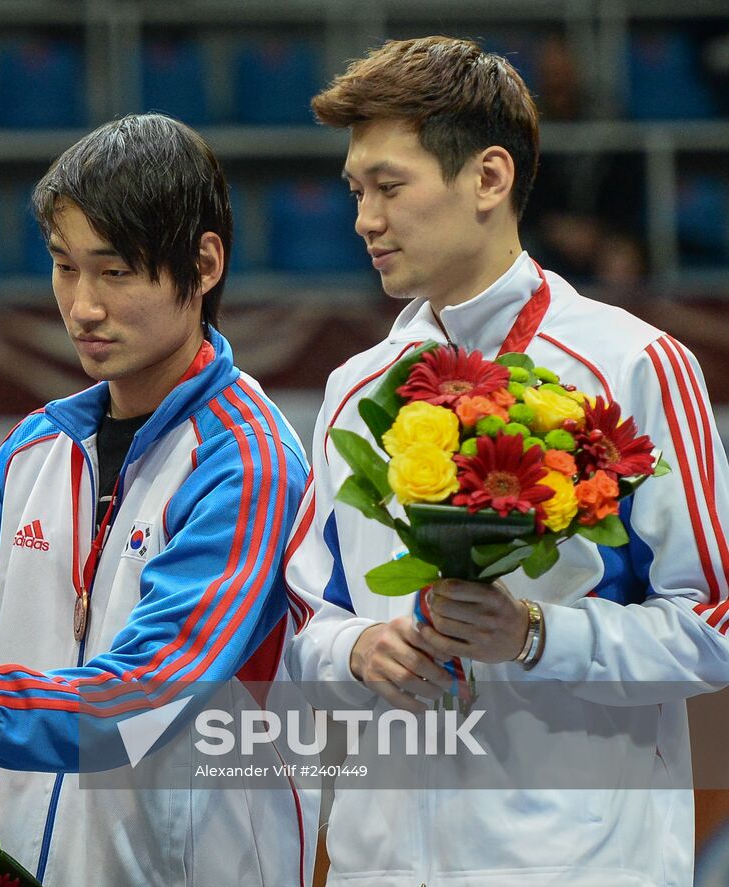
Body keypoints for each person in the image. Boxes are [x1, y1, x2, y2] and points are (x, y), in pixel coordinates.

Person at [0, 113, 317, 885]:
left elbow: (145, 694)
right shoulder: (32, 451)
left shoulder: (248, 461)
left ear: (205, 263)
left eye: (114, 271)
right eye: (64, 266)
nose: (82, 306)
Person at [284, 36, 729, 886]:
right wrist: (357, 650)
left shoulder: (635, 366)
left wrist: (537, 634)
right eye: (354, 191)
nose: (363, 220)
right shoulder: (356, 388)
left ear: (489, 178)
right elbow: (307, 620)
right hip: (383, 866)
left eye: (388, 187)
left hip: (580, 865)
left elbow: (714, 624)